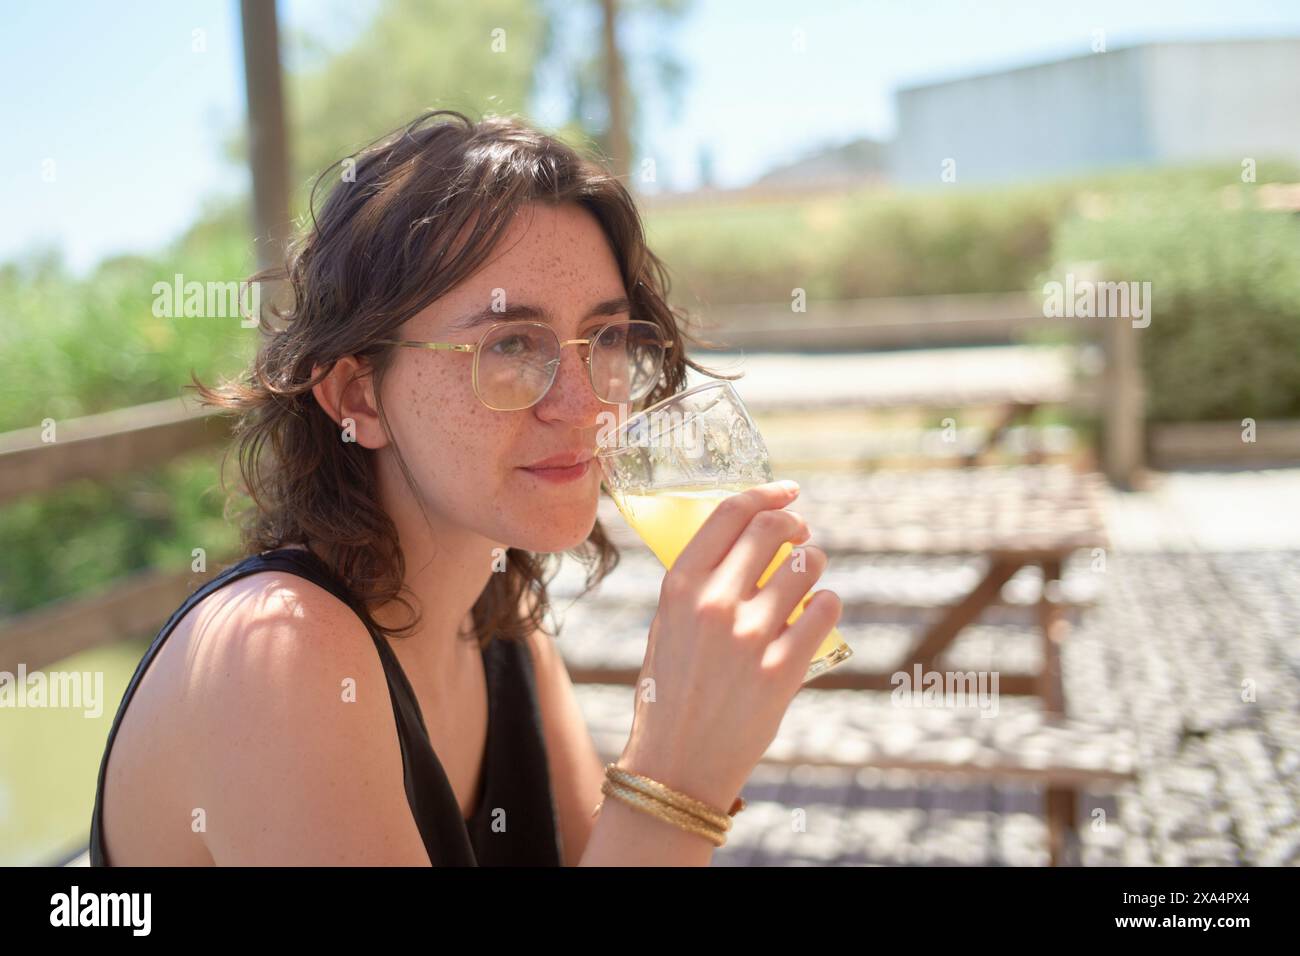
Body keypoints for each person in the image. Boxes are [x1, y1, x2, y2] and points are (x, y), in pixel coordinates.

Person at [88, 109, 842, 866]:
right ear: (358, 397)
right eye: (511, 344)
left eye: (605, 338)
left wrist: (701, 747)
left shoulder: (503, 625)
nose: (585, 408)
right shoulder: (276, 654)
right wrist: (679, 773)